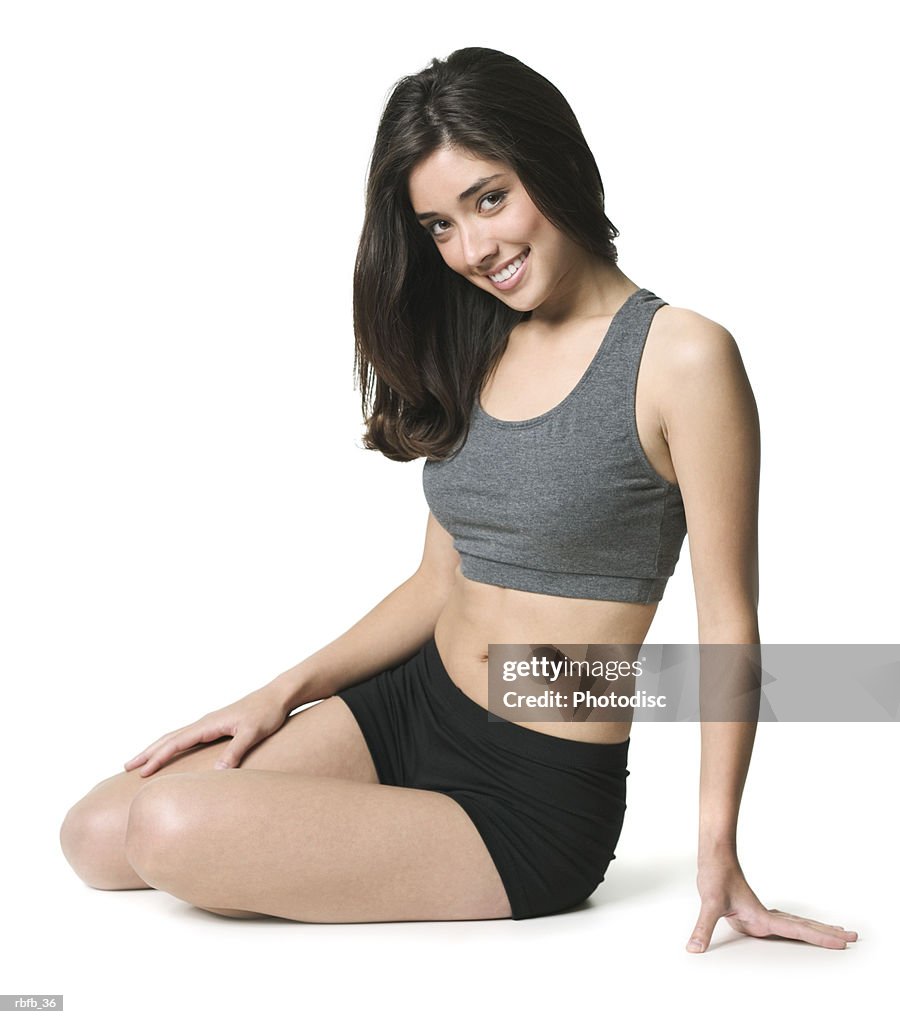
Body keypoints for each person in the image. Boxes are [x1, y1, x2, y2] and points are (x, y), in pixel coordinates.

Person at [59, 47, 857, 951]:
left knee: (166, 828)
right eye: (439, 225)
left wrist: (718, 849)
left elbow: (729, 624)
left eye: (489, 198)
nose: (474, 250)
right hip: (412, 705)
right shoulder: (482, 344)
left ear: (553, 165)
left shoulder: (681, 356)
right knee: (93, 837)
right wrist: (276, 695)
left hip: (528, 789)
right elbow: (437, 581)